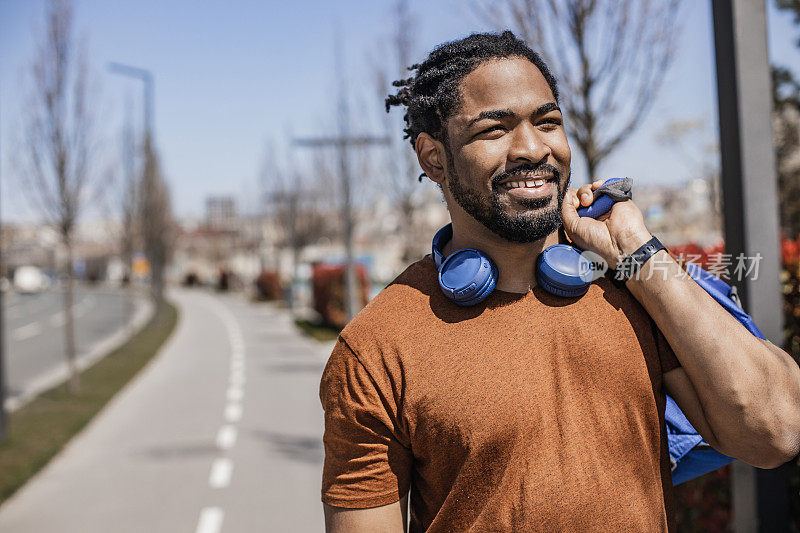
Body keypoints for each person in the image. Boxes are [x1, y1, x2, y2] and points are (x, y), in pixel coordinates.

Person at [319, 31, 800, 532]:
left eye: (547, 122)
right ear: (433, 157)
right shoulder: (377, 347)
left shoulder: (635, 287)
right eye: (494, 129)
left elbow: (777, 433)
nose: (532, 148)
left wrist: (639, 255)